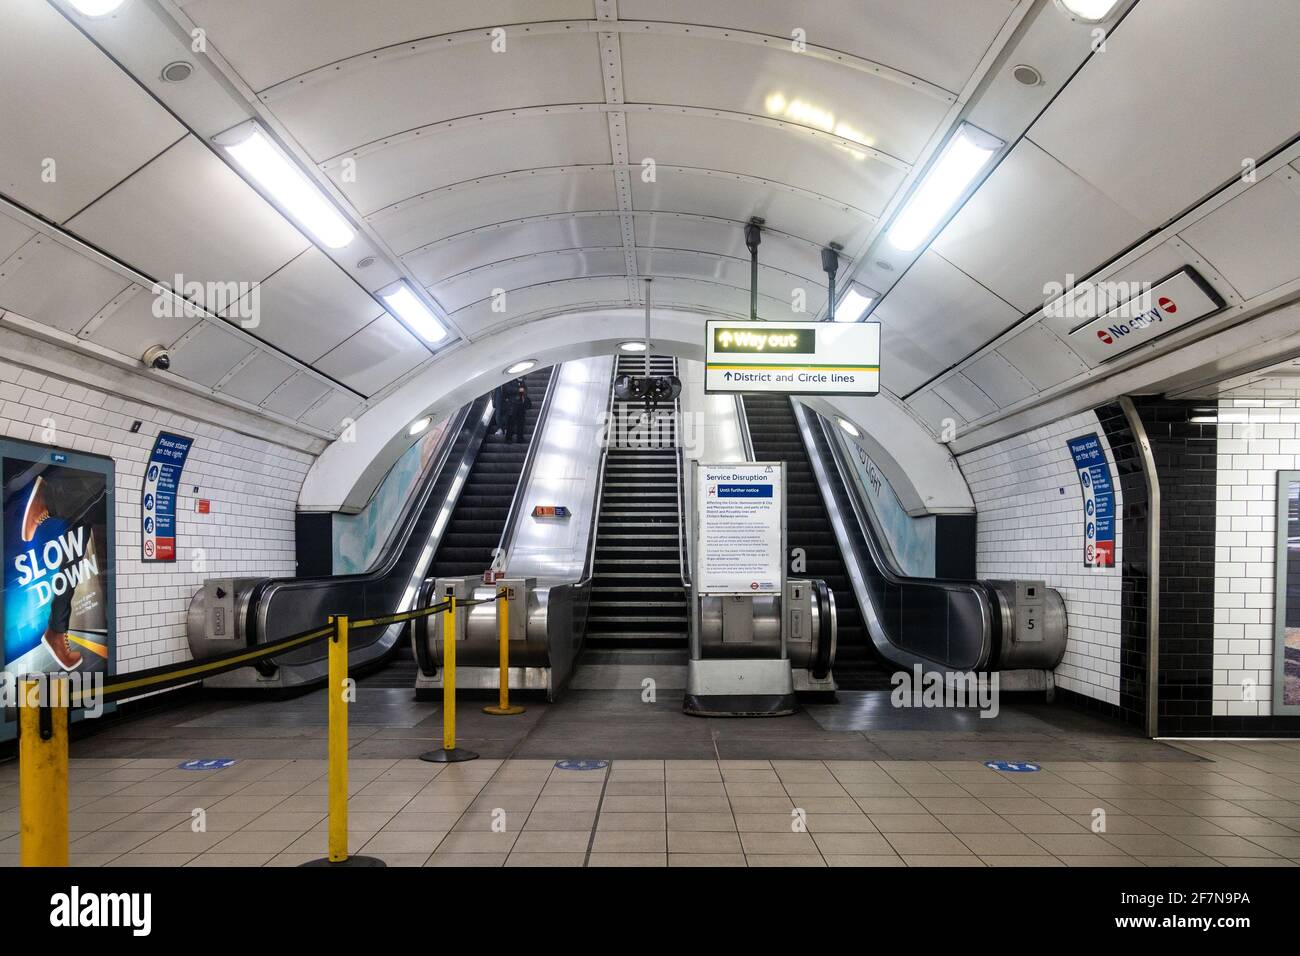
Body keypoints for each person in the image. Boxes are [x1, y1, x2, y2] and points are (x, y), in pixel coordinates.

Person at [502, 376, 532, 443]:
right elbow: (507, 389)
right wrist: (518, 390)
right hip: (512, 404)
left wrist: (524, 393)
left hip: (521, 404)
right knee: (511, 423)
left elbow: (525, 389)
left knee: (521, 422)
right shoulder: (509, 379)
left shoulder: (521, 381)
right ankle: (508, 438)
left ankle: (520, 438)